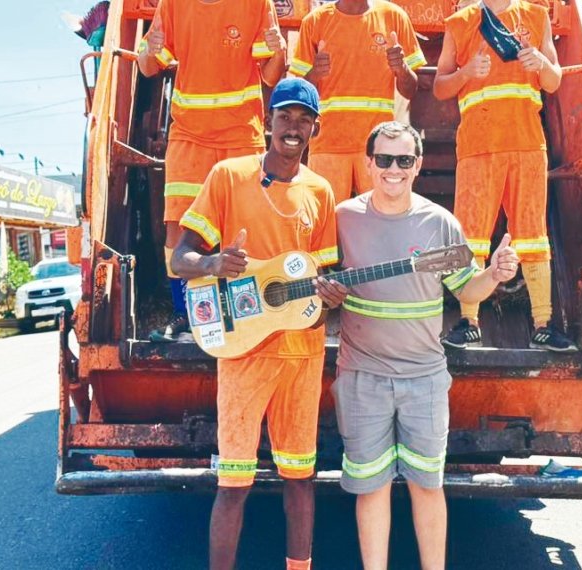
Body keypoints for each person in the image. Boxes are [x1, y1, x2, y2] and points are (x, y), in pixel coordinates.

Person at [318, 121, 518, 570]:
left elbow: (467, 289)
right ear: (368, 163)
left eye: (404, 160)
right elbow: (319, 285)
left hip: (424, 380)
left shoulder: (438, 223)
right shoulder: (343, 218)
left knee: (427, 486)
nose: (394, 169)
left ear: (418, 165)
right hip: (361, 377)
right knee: (370, 488)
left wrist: (496, 274)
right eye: (384, 159)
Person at [170, 78, 340, 570]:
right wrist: (213, 264)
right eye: (284, 116)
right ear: (267, 122)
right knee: (234, 483)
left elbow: (321, 278)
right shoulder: (227, 175)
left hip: (301, 355)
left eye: (303, 119)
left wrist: (331, 297)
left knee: (300, 478)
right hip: (243, 352)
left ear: (315, 129)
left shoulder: (320, 191)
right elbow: (182, 258)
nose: (293, 126)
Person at [138, 0, 289, 342]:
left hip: (240, 133)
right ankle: (184, 313)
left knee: (246, 227)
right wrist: (151, 50)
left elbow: (271, 74)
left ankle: (248, 312)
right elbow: (148, 66)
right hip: (189, 135)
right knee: (178, 226)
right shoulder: (173, 5)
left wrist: (279, 51)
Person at [432, 0, 578, 352]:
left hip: (527, 144)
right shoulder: (460, 23)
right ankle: (469, 322)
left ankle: (543, 324)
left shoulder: (535, 16)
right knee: (471, 235)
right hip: (477, 147)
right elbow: (439, 87)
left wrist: (541, 63)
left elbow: (554, 81)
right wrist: (467, 73)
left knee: (532, 235)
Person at [290, 0, 426, 204]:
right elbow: (298, 95)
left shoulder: (394, 17)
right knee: (324, 223)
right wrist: (314, 73)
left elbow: (410, 91)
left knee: (380, 219)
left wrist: (402, 68)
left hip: (377, 148)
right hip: (328, 144)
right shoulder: (315, 21)